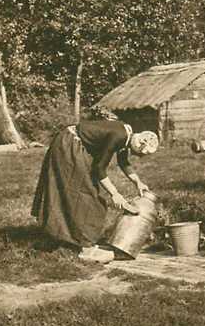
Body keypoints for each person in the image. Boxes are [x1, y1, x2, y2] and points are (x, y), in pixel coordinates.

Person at [31, 106, 159, 262]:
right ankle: (86, 249)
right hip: (69, 143)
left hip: (75, 143)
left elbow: (123, 161)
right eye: (138, 153)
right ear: (138, 144)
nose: (136, 156)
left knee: (77, 193)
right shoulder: (119, 136)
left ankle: (58, 236)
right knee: (87, 196)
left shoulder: (127, 133)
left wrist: (137, 182)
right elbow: (99, 169)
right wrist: (116, 195)